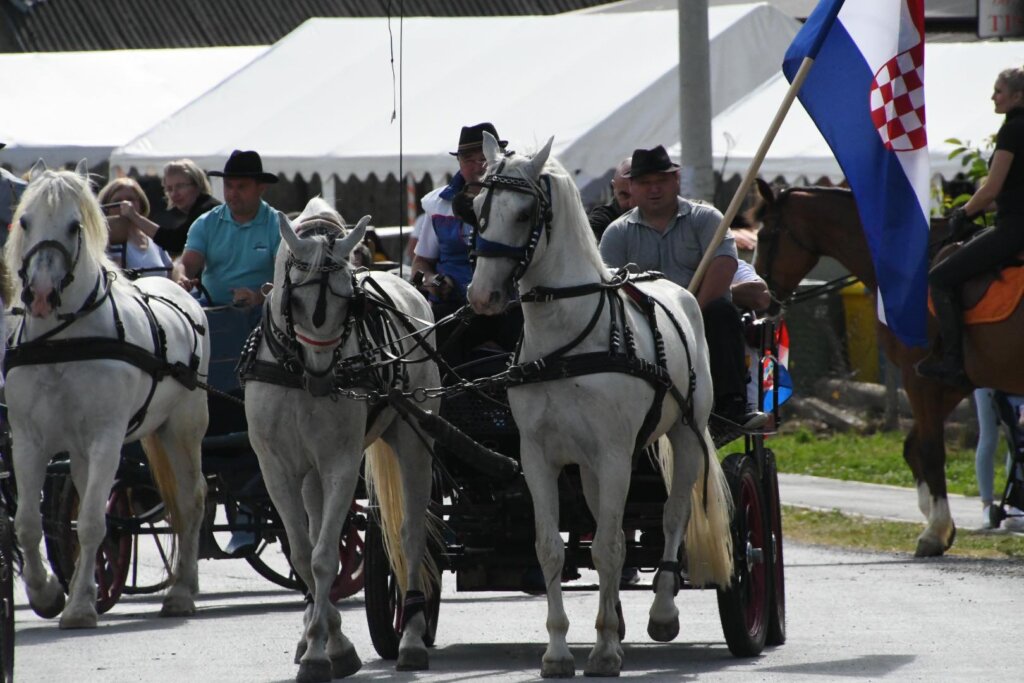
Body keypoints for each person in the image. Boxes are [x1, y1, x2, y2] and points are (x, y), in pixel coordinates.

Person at [599, 145, 767, 430]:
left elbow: (723, 265)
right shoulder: (617, 233)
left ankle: (730, 406)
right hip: (641, 324)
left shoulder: (707, 219)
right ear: (632, 188)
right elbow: (608, 285)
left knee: (722, 312)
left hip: (701, 316)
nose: (654, 190)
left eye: (660, 181)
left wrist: (690, 315)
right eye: (644, 183)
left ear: (675, 180)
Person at [917, 67, 1024, 385]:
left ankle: (953, 361)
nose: (993, 96)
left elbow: (992, 189)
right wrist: (979, 208)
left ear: (1018, 96)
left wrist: (963, 213)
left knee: (940, 277)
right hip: (1015, 218)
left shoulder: (1012, 130)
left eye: (999, 90)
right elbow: (1008, 194)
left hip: (1015, 228)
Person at [411, 122, 523, 370]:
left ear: (498, 158)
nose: (477, 166)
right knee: (431, 348)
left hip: (510, 304)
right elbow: (420, 263)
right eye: (468, 159)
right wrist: (433, 280)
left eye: (484, 158)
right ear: (459, 163)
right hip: (456, 306)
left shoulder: (517, 202)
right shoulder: (438, 206)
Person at [177, 150, 282, 308]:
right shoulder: (205, 223)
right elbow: (187, 264)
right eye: (228, 185)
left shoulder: (278, 225)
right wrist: (181, 277)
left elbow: (286, 279)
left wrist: (258, 297)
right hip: (212, 310)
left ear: (261, 188)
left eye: (241, 187)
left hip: (264, 316)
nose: (233, 193)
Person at [98, 178, 173, 278]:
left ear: (141, 205)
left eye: (130, 200)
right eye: (117, 201)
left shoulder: (153, 239)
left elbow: (170, 271)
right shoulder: (102, 241)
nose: (124, 205)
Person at [158, 159, 221, 257]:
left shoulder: (207, 209)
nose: (174, 194)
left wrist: (135, 217)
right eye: (169, 189)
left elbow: (175, 241)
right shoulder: (200, 208)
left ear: (197, 185)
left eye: (180, 186)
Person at [588, 158, 634, 241]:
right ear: (614, 188)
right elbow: (591, 229)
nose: (631, 203)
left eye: (636, 195)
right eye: (624, 195)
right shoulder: (605, 217)